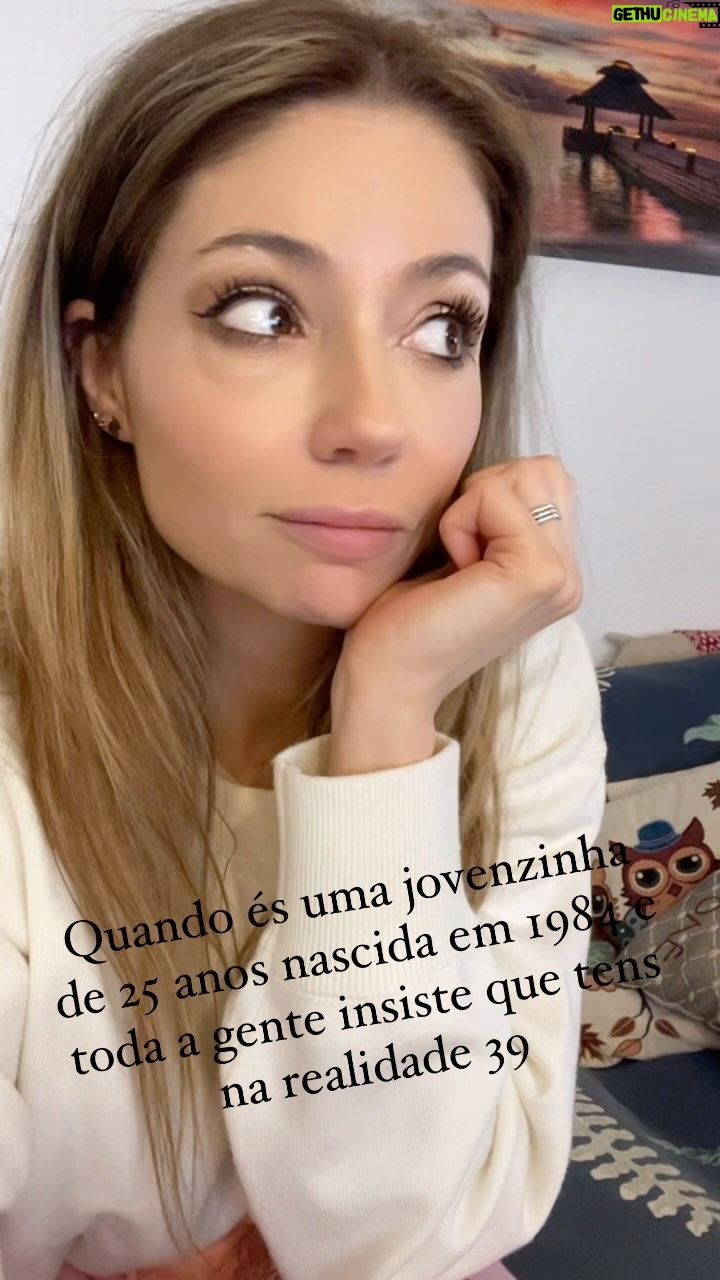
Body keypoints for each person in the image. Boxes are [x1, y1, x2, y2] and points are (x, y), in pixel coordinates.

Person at [0, 1, 607, 1278]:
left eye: (442, 328)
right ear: (99, 369)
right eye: (264, 311)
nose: (374, 423)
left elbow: (413, 1233)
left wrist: (386, 719)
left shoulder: (510, 662)